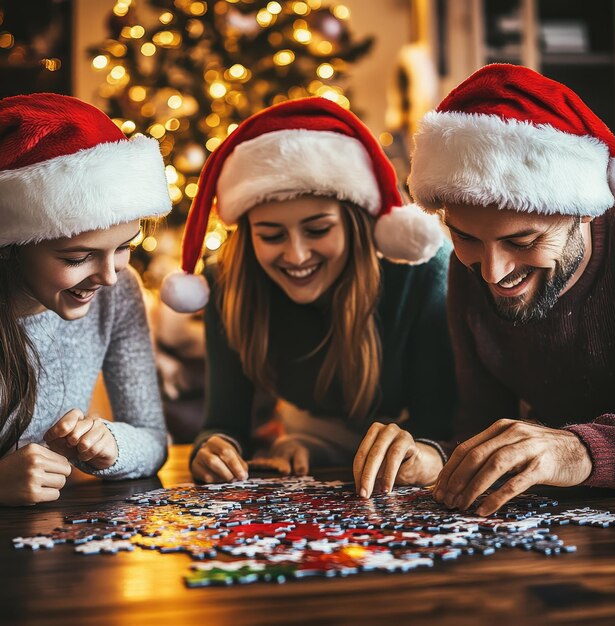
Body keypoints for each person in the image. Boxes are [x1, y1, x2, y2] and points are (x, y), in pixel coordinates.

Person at [161, 97, 457, 497]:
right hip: (314, 458)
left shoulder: (421, 270)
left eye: (318, 230)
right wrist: (214, 449)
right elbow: (223, 423)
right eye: (271, 235)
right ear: (248, 236)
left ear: (357, 225)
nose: (296, 255)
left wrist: (424, 455)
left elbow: (440, 428)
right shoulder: (227, 282)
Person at [407, 63, 615, 516]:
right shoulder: (465, 275)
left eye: (522, 241)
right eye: (466, 237)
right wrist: (432, 456)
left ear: (582, 212)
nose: (492, 272)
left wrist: (579, 450)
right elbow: (481, 427)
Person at [0, 93, 172, 506]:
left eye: (125, 247)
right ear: (12, 245)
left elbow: (152, 438)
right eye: (78, 257)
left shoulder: (120, 292)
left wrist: (111, 444)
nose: (111, 277)